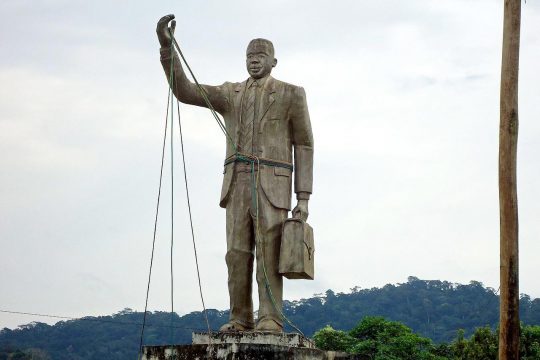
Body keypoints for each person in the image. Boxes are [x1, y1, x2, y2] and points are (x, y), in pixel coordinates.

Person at [156, 14, 314, 333]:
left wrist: (304, 197)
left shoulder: (290, 94)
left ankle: (270, 317)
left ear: (274, 61)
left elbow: (305, 144)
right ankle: (239, 316)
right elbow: (185, 90)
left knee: (269, 249)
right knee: (237, 252)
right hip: (237, 182)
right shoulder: (230, 93)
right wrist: (167, 48)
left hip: (273, 183)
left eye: (260, 57)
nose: (254, 61)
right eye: (249, 57)